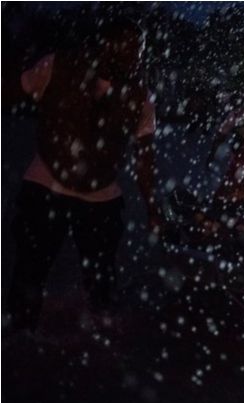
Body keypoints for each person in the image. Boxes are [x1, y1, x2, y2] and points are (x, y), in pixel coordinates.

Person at [6, 18, 160, 332]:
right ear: (105, 45)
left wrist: (153, 209)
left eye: (140, 49)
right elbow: (10, 92)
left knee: (101, 278)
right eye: (129, 47)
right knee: (29, 271)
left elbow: (145, 159)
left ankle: (101, 337)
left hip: (102, 196)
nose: (136, 56)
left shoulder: (140, 97)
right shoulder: (57, 66)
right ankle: (20, 336)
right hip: (45, 185)